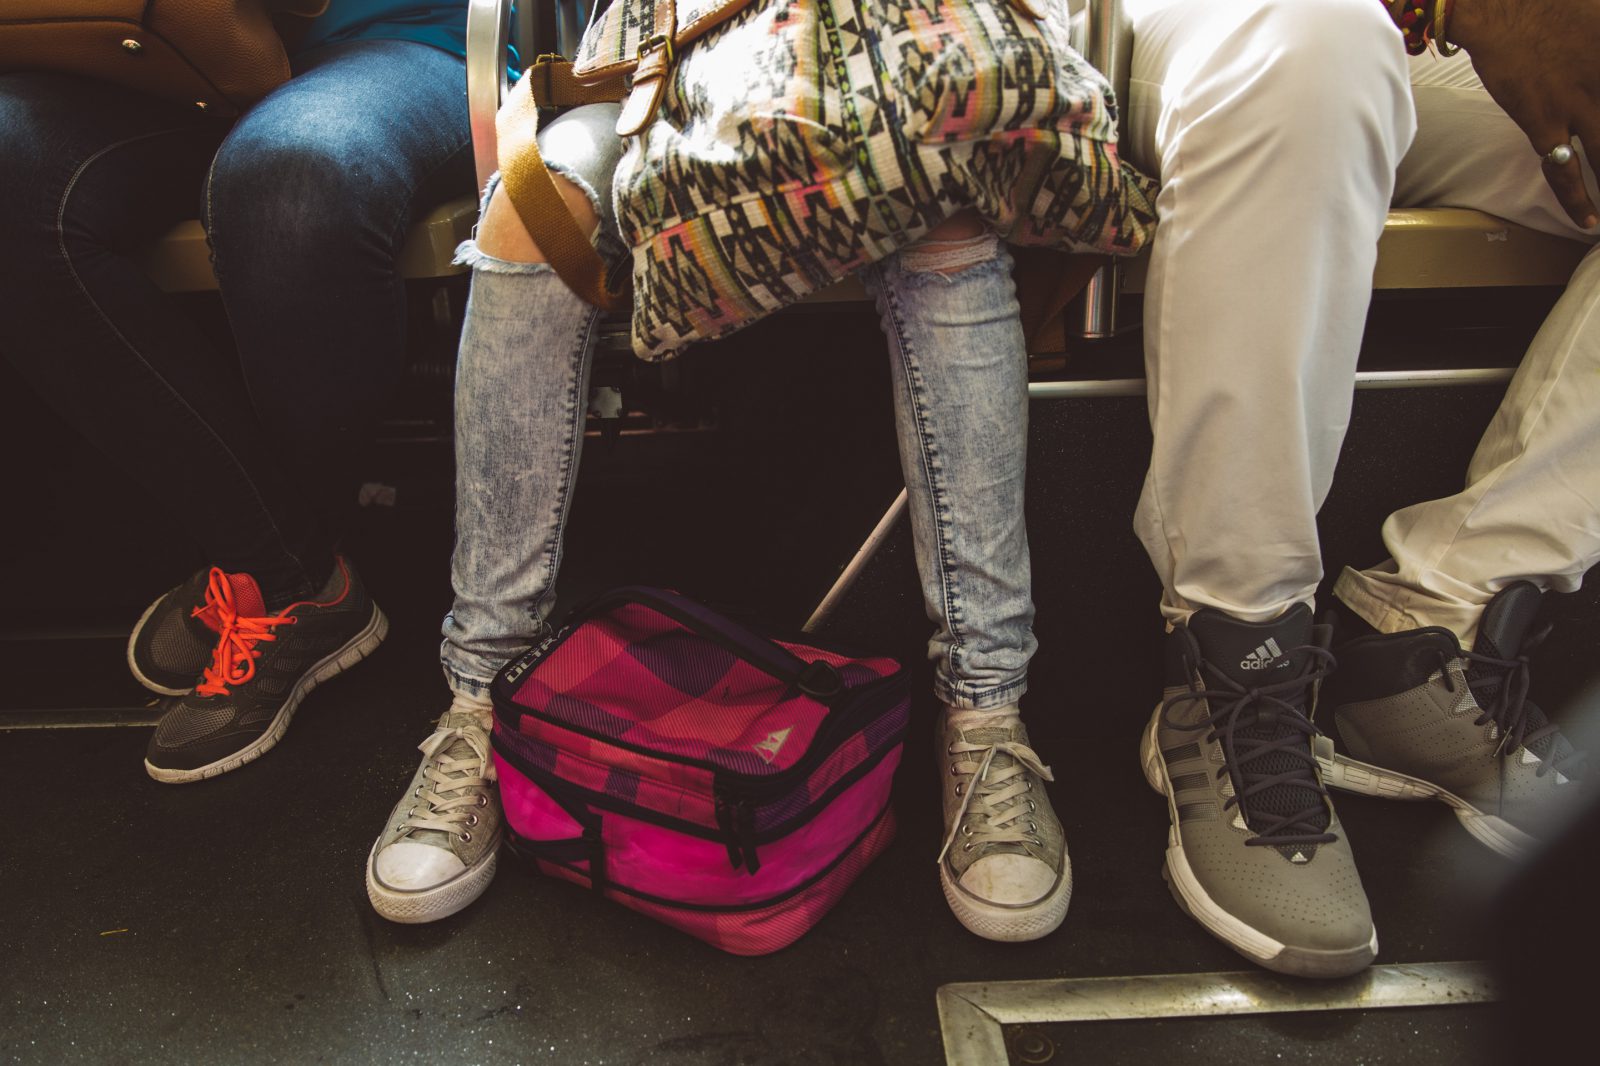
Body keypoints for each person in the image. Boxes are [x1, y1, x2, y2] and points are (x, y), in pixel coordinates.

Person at [362, 102, 1085, 936]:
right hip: (669, 84)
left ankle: (985, 709)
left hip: (866, 74)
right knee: (534, 208)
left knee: (945, 210)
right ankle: (484, 700)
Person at [1125, 0, 1596, 978]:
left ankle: (1428, 636)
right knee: (1312, 38)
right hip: (1141, 26)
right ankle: (1236, 657)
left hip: (1414, 40)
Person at [0, 2, 475, 782]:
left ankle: (277, 570)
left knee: (289, 181)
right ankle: (288, 572)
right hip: (160, 54)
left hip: (398, 36)